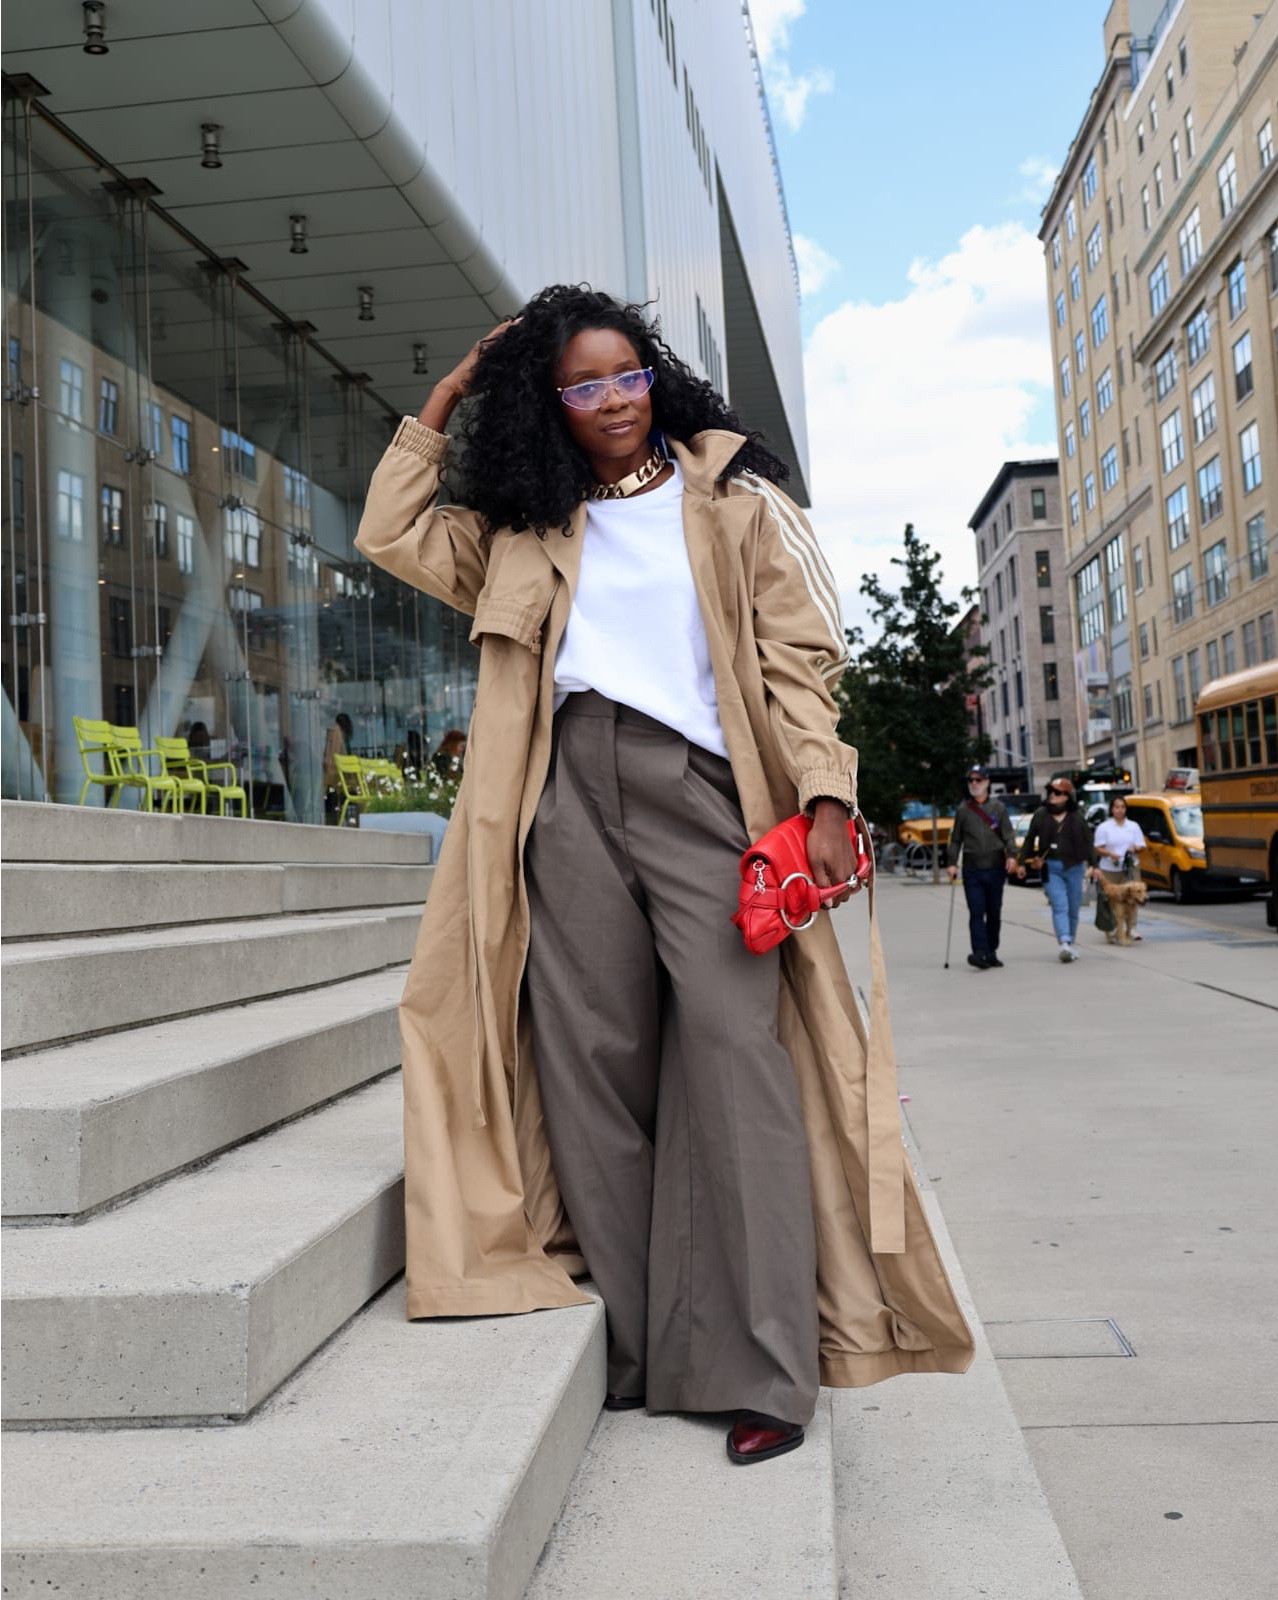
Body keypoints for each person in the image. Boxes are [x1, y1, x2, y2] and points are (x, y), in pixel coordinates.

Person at [354, 284, 972, 1468]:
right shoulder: (526, 522)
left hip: (707, 794)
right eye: (583, 384)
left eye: (628, 374)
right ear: (551, 400)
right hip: (565, 792)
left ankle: (764, 1364)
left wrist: (828, 795)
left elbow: (799, 659)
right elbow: (394, 533)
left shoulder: (731, 496)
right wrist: (443, 403)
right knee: (592, 1063)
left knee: (741, 1057)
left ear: (656, 375)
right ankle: (645, 1348)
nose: (614, 401)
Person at [946, 764, 1018, 969]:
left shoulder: (998, 808)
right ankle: (979, 953)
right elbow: (955, 839)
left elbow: (1008, 834)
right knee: (976, 911)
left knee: (994, 912)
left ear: (987, 782)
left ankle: (991, 951)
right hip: (972, 869)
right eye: (971, 780)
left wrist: (1012, 855)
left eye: (978, 780)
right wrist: (951, 863)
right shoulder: (963, 810)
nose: (974, 784)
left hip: (995, 867)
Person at [1018, 777, 1097, 962]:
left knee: (1073, 908)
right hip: (1051, 868)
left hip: (1075, 867)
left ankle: (1072, 942)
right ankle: (1063, 942)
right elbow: (1030, 839)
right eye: (1051, 791)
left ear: (1067, 797)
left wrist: (1095, 865)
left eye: (1058, 792)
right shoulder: (1040, 814)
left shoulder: (1077, 817)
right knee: (1059, 904)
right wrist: (1022, 862)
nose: (1053, 795)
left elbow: (1089, 841)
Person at [1093, 795, 1146, 942]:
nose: (1120, 810)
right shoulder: (1104, 827)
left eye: (1122, 807)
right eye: (1117, 807)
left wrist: (1135, 848)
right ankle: (1113, 926)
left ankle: (1132, 927)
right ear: (1112, 809)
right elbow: (1097, 848)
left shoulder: (1133, 826)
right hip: (1109, 868)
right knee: (1112, 899)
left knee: (1134, 897)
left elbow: (1142, 845)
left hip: (1129, 866)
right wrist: (1110, 853)